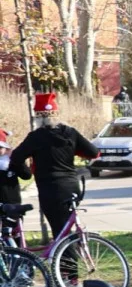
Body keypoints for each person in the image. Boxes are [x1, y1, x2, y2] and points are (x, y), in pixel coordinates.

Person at [9, 93, 98, 241]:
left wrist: (25, 173)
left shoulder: (36, 137)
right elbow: (94, 153)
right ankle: (67, 260)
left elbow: (16, 157)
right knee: (67, 227)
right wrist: (73, 149)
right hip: (72, 186)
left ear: (38, 117)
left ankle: (66, 264)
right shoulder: (70, 132)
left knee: (59, 230)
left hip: (50, 189)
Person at [0, 130, 28, 205]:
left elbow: (26, 176)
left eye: (0, 147)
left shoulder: (12, 161)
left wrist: (17, 160)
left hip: (11, 203)